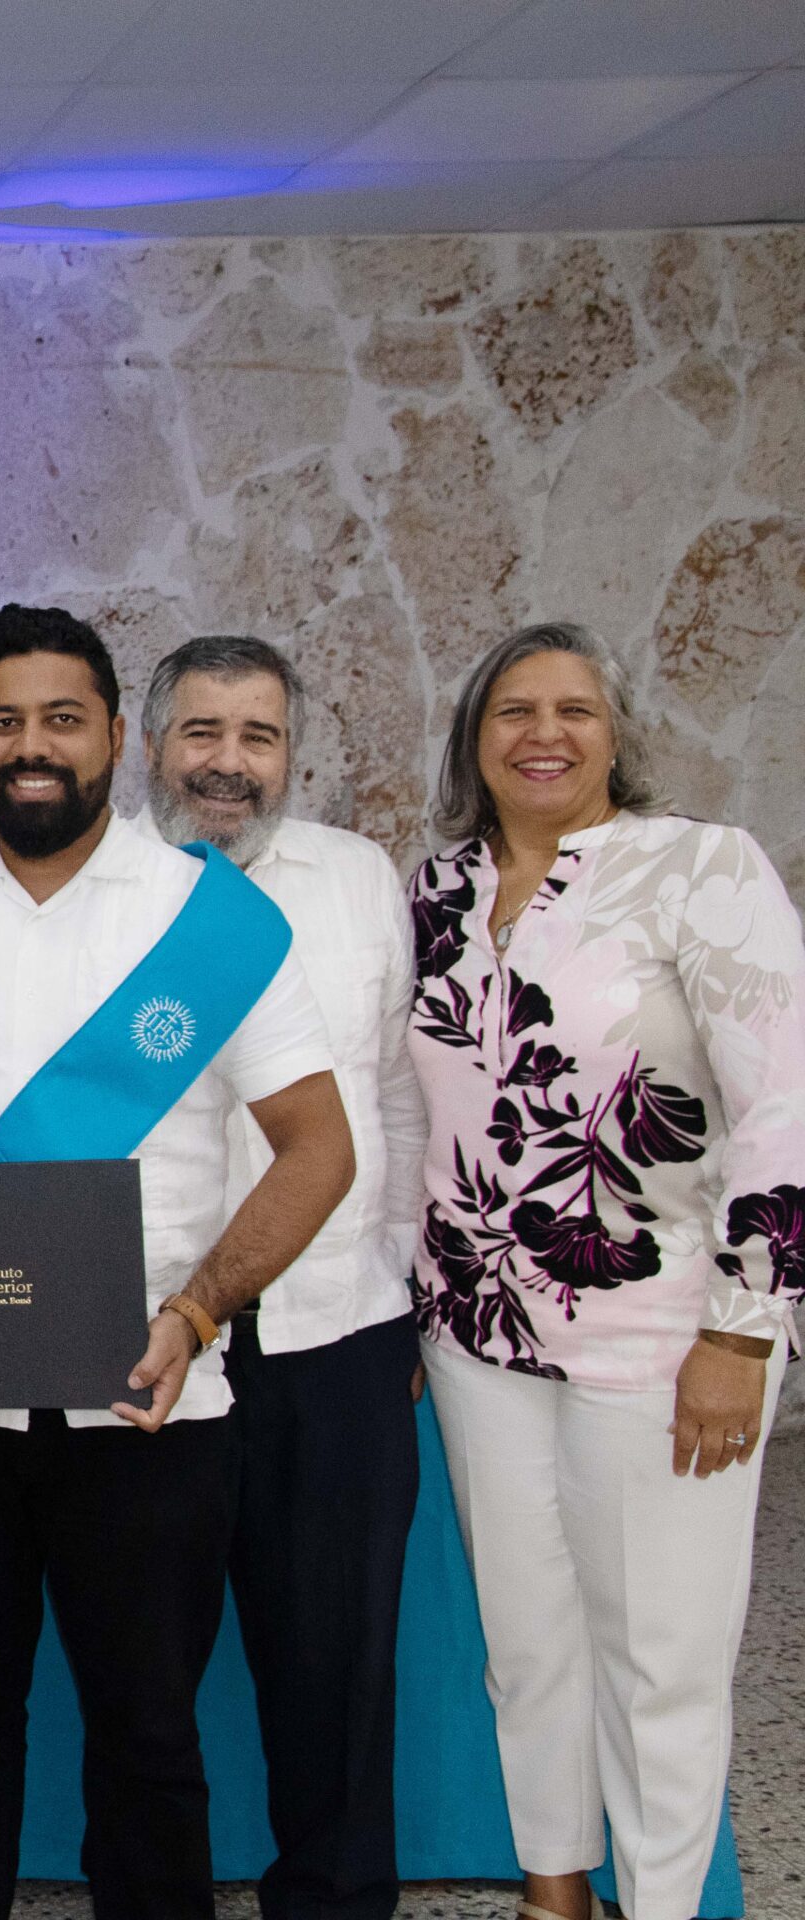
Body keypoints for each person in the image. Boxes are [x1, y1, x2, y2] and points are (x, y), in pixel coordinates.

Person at [0, 604, 355, 1920]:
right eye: (3, 722)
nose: (32, 746)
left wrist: (203, 1309)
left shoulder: (207, 922)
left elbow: (319, 1148)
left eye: (62, 718)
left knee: (152, 1743)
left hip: (147, 1403)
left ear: (115, 734)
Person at [404, 623, 805, 1920]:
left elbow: (785, 1108)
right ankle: (553, 1894)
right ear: (475, 734)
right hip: (476, 1340)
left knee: (662, 1664)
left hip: (663, 1336)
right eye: (514, 708)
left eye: (575, 708)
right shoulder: (437, 896)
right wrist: (406, 1303)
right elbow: (413, 1115)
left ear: (616, 732)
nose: (545, 733)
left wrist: (746, 1336)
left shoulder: (700, 870)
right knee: (526, 1650)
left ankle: (666, 1907)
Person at [142, 635, 426, 1920]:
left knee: (336, 1668)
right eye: (202, 732)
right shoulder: (106, 885)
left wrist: (409, 1285)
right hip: (149, 1340)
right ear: (155, 743)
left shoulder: (361, 880)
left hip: (338, 1337)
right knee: (144, 1671)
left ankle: (336, 1901)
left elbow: (403, 1099)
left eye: (258, 737)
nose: (229, 764)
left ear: (292, 754)